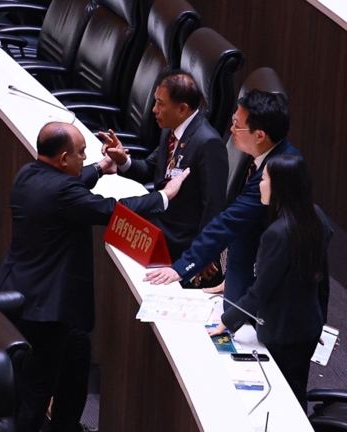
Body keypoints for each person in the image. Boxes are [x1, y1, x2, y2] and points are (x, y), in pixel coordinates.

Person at [0, 121, 188, 432]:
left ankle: (65, 429)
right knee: (35, 392)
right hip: (44, 308)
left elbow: (72, 184)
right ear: (64, 157)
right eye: (82, 153)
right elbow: (112, 212)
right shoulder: (61, 192)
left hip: (29, 293)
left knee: (77, 349)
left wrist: (102, 167)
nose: (85, 158)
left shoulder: (29, 173)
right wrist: (163, 196)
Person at [145, 90, 301, 309]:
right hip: (246, 265)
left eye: (237, 125)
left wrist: (181, 268)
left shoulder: (277, 174)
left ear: (259, 136)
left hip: (267, 285)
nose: (231, 130)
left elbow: (230, 221)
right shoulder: (267, 155)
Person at [207, 155, 331, 410]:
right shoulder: (316, 216)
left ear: (280, 187)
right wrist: (319, 320)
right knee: (296, 390)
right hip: (307, 327)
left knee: (280, 398)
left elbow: (260, 290)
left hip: (282, 332)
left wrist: (227, 321)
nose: (259, 184)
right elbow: (323, 280)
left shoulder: (277, 234)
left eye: (263, 179)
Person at [99, 71, 228, 272]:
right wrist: (122, 160)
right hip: (158, 225)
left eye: (160, 103)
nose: (154, 109)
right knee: (108, 226)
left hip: (180, 241)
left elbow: (213, 206)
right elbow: (150, 168)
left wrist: (201, 255)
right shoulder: (171, 129)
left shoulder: (208, 143)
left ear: (182, 108)